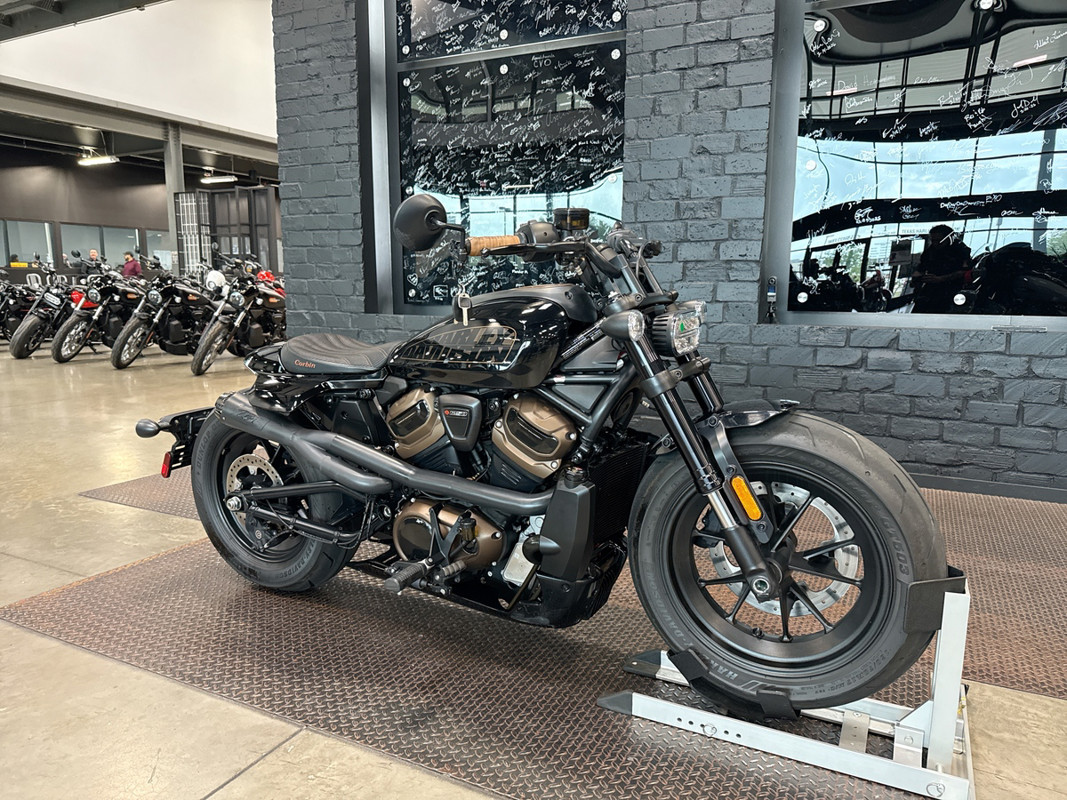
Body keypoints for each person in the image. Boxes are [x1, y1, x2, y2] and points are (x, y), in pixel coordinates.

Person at [911, 225, 972, 313]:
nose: (935, 244)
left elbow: (964, 272)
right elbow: (922, 267)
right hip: (932, 288)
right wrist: (916, 278)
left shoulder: (961, 250)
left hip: (953, 290)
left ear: (950, 238)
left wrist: (941, 279)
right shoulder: (930, 251)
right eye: (933, 240)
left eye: (939, 241)